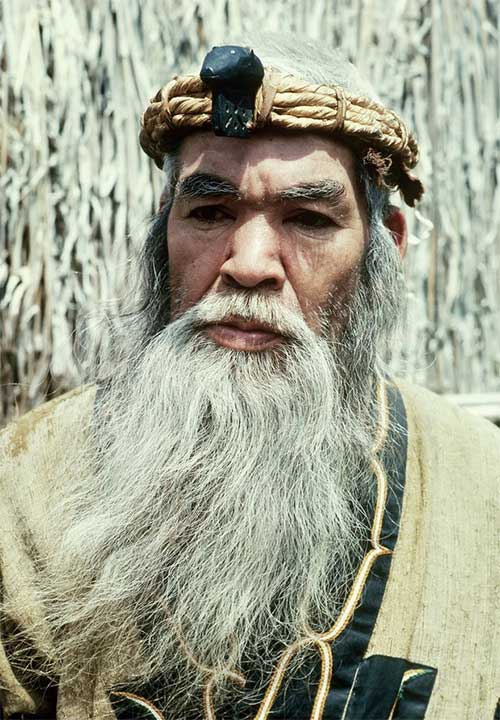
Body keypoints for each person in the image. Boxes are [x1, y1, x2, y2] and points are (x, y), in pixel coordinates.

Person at [0, 36, 498, 720]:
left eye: (309, 219)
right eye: (210, 213)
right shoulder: (26, 491)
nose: (250, 263)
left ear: (386, 245)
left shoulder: (483, 490)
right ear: (163, 235)